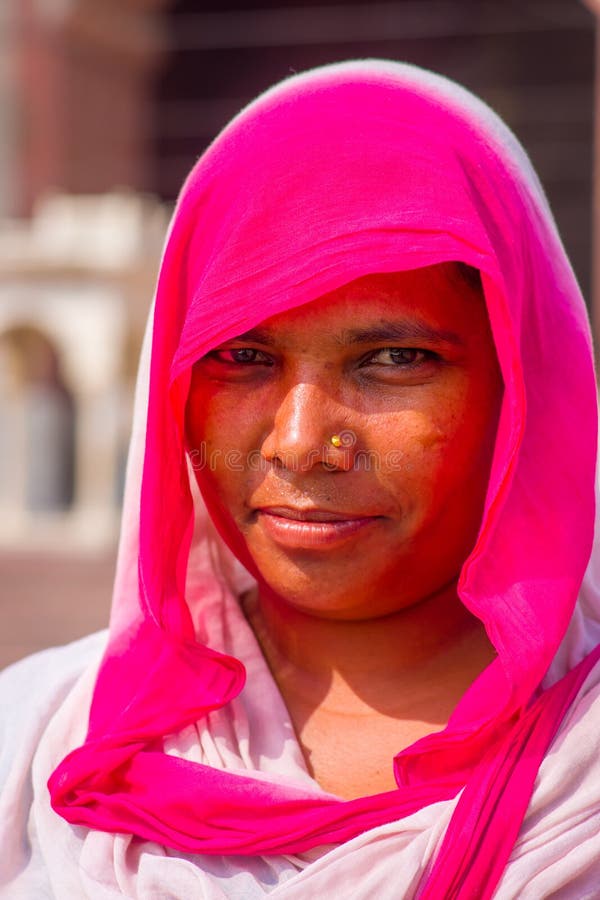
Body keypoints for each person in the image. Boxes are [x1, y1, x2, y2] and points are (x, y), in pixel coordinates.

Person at [1, 59, 600, 899]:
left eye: (394, 360)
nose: (299, 443)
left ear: (522, 383)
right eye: (242, 358)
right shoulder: (36, 744)